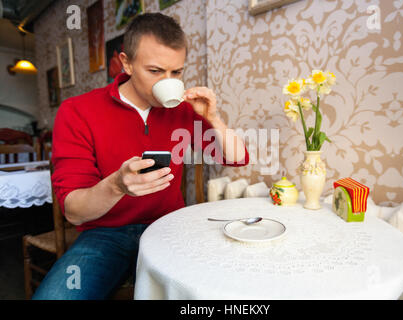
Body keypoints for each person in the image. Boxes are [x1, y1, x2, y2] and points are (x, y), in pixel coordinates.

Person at [32, 12, 249, 300]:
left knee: (224, 290)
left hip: (170, 227)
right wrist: (116, 186)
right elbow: (73, 210)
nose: (167, 81)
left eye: (177, 72)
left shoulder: (182, 110)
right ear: (126, 63)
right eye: (156, 71)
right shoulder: (77, 111)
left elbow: (236, 158)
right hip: (105, 235)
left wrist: (214, 118)